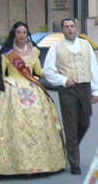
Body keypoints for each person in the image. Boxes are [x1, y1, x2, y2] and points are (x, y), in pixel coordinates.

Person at [0, 22, 66, 175]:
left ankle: (39, 162)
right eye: (19, 32)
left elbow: (38, 71)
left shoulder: (34, 51)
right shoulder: (7, 53)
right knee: (13, 126)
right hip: (11, 90)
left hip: (32, 89)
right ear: (14, 34)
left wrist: (53, 72)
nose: (22, 35)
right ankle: (13, 163)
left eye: (24, 32)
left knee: (37, 122)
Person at [43, 18, 98, 175]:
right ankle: (74, 162)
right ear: (62, 30)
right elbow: (47, 70)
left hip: (85, 86)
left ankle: (70, 146)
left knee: (85, 120)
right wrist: (63, 80)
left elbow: (93, 67)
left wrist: (96, 90)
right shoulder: (56, 47)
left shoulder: (85, 44)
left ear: (76, 28)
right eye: (66, 27)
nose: (69, 29)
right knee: (70, 124)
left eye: (72, 26)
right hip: (67, 88)